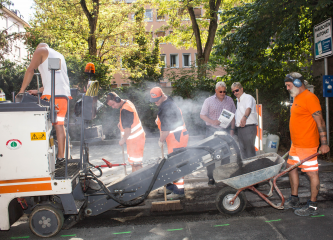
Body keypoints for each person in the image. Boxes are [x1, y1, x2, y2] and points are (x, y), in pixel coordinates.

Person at [283, 72, 330, 216]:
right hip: (296, 145)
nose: (287, 88)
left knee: (311, 173)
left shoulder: (310, 98)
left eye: (289, 85)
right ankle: (294, 198)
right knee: (291, 167)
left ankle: (312, 205)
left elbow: (320, 121)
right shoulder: (297, 97)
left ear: (298, 83)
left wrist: (324, 143)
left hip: (307, 145)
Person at [18, 43, 71, 167]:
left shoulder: (40, 50)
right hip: (63, 96)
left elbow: (30, 70)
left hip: (51, 96)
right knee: (59, 125)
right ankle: (61, 157)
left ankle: (41, 157)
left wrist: (21, 91)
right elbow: (55, 80)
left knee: (43, 124)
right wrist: (38, 91)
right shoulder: (59, 55)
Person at [150, 87, 189, 200]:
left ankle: (179, 191)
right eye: (154, 100)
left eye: (157, 99)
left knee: (177, 165)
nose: (155, 102)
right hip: (175, 138)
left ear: (162, 95)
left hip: (177, 138)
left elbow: (166, 130)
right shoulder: (167, 99)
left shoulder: (166, 108)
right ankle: (170, 187)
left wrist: (160, 140)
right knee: (171, 164)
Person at [200, 81, 236, 186]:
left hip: (225, 131)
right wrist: (212, 121)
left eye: (224, 91)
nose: (223, 93)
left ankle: (223, 177)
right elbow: (202, 115)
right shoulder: (208, 101)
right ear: (216, 90)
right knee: (210, 155)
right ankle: (211, 178)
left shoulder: (229, 100)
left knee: (226, 154)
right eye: (220, 91)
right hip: (211, 130)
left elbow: (233, 115)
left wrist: (232, 130)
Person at [106, 92, 145, 172]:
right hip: (135, 140)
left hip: (135, 141)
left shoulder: (125, 109)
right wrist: (121, 123)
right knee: (133, 163)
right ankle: (134, 181)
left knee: (137, 163)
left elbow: (128, 129)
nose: (113, 107)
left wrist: (123, 140)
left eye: (113, 104)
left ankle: (141, 182)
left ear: (117, 99)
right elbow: (130, 120)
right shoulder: (127, 103)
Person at [231, 82, 258, 159]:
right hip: (240, 128)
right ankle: (247, 168)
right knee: (243, 151)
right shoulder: (238, 100)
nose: (235, 93)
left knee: (249, 151)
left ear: (241, 89)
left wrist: (244, 118)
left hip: (248, 127)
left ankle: (253, 168)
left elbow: (248, 108)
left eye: (237, 90)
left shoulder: (248, 97)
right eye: (233, 91)